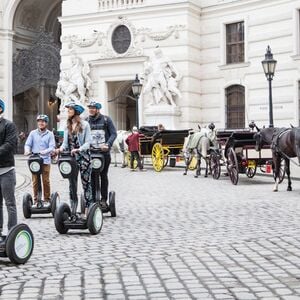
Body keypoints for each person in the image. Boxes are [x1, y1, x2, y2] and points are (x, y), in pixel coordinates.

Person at [59, 102, 93, 218]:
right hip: (71, 160)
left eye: (70, 109)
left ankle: (88, 210)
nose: (68, 111)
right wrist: (59, 149)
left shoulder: (85, 125)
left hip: (84, 159)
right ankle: (73, 210)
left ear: (76, 112)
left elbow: (88, 142)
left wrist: (79, 149)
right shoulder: (66, 126)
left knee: (86, 184)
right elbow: (65, 143)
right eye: (68, 109)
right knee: (72, 185)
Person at [87, 100, 117, 209]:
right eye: (90, 107)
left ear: (98, 109)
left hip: (103, 153)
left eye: (93, 108)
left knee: (103, 176)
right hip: (91, 153)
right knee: (92, 176)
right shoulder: (86, 121)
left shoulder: (106, 120)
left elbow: (113, 134)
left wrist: (108, 144)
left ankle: (104, 199)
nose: (91, 109)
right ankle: (94, 199)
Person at [24, 115, 56, 206]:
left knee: (45, 180)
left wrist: (44, 151)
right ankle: (36, 200)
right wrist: (27, 150)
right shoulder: (33, 133)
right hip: (34, 160)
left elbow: (52, 147)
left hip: (45, 160)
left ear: (46, 123)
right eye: (39, 121)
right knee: (35, 181)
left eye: (43, 121)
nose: (41, 123)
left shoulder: (50, 134)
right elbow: (28, 144)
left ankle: (47, 199)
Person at [0, 99, 18, 236]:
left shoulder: (9, 125)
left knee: (10, 203)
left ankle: (12, 232)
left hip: (6, 170)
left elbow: (9, 145)